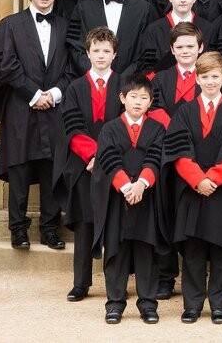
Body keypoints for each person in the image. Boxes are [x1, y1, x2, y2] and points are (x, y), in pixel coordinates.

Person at [0, 0, 70, 251]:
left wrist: (55, 93)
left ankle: (50, 229)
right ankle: (18, 229)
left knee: (52, 167)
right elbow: (5, 64)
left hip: (55, 107)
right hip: (21, 106)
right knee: (19, 167)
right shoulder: (10, 25)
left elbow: (72, 67)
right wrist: (34, 94)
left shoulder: (66, 26)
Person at [161, 51, 222, 324]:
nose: (210, 81)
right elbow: (178, 151)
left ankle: (219, 305)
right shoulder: (184, 112)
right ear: (197, 79)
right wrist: (197, 179)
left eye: (215, 76)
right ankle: (192, 305)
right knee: (193, 250)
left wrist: (212, 178)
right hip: (192, 190)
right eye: (205, 77)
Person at [53, 27, 123, 301]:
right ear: (87, 53)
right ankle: (81, 283)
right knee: (85, 223)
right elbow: (73, 127)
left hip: (116, 165)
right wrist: (92, 157)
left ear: (115, 54)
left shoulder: (124, 85)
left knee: (115, 225)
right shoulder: (75, 87)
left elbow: (126, 124)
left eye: (106, 51)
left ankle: (115, 284)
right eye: (96, 50)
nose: (101, 55)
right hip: (84, 166)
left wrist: (106, 159)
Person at [91, 72, 166, 324]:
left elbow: (155, 158)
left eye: (144, 97)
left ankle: (148, 304)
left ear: (150, 102)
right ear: (122, 98)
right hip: (117, 199)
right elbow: (109, 159)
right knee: (116, 252)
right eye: (133, 96)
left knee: (147, 252)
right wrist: (126, 187)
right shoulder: (110, 129)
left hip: (147, 198)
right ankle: (114, 304)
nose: (138, 102)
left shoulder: (157, 129)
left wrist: (141, 185)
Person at [146, 21, 205, 299]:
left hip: (198, 156)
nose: (185, 51)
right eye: (179, 47)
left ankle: (197, 277)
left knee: (194, 216)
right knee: (165, 214)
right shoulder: (159, 79)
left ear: (200, 48)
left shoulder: (209, 77)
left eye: (190, 46)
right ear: (171, 49)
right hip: (166, 155)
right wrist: (178, 127)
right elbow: (154, 108)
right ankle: (166, 276)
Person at [137, 0, 216, 73]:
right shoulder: (153, 30)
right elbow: (148, 69)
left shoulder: (208, 28)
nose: (183, 0)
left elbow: (211, 64)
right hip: (162, 81)